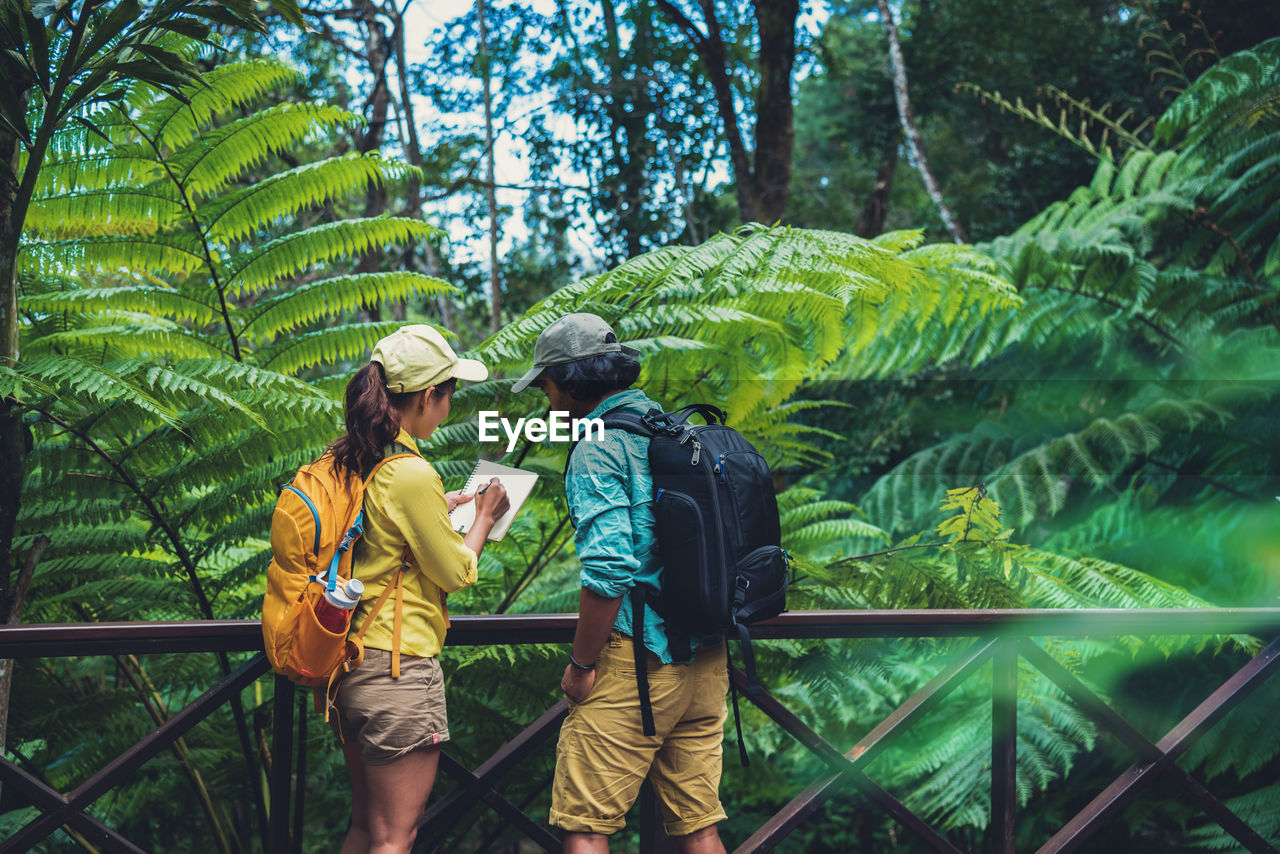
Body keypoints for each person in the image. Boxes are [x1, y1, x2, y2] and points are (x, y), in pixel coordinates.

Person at [512, 313, 729, 854]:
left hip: (640, 665)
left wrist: (582, 665)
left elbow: (609, 570)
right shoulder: (675, 430)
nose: (545, 397)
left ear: (570, 382)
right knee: (699, 827)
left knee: (586, 828)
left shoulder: (598, 448)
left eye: (545, 384)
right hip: (705, 658)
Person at [328, 324, 510, 854]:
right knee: (395, 837)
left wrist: (444, 505)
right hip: (399, 671)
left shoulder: (361, 457)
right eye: (450, 392)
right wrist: (484, 516)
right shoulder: (410, 473)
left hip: (355, 663)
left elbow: (383, 539)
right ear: (429, 396)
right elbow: (456, 572)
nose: (450, 403)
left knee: (366, 829)